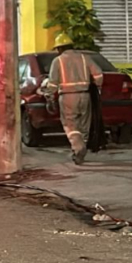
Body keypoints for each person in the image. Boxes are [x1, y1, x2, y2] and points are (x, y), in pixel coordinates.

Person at [43, 33, 104, 165]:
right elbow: (98, 74)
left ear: (59, 48)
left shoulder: (58, 61)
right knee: (84, 124)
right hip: (85, 96)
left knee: (70, 124)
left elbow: (53, 83)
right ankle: (82, 148)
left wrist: (49, 96)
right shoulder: (84, 58)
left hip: (67, 97)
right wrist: (97, 87)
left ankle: (78, 148)